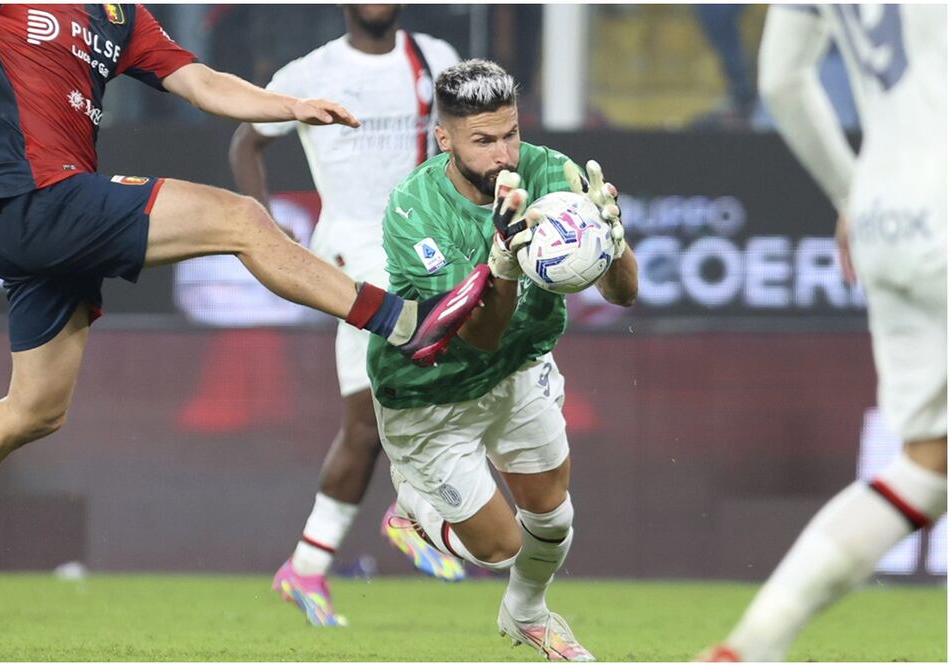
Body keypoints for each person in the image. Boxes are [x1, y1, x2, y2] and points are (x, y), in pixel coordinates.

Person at [0, 3, 493, 631]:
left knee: (35, 409)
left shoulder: (121, 15)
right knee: (242, 220)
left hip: (53, 221)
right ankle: (405, 322)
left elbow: (200, 82)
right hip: (34, 196)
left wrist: (289, 106)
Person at [368, 59, 638, 661]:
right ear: (445, 138)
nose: (503, 155)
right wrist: (505, 267)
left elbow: (623, 295)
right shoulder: (414, 211)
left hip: (516, 369)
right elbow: (477, 337)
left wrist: (614, 245)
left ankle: (528, 615)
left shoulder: (552, 172)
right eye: (483, 141)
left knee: (554, 519)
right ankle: (413, 506)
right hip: (430, 391)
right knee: (502, 547)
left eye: (510, 133)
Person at [700, 5, 946, 661]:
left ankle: (752, 645)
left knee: (926, 467)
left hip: (885, 214)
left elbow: (780, 82)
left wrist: (850, 194)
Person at [229, 4, 466, 628]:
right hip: (354, 261)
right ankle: (410, 511)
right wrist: (267, 227)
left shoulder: (436, 60)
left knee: (365, 426)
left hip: (427, 253)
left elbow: (474, 143)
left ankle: (307, 567)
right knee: (407, 393)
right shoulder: (312, 72)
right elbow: (246, 140)